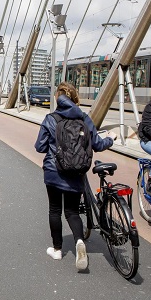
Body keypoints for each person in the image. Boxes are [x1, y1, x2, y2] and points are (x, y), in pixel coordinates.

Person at [34, 81, 117, 271]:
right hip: (76, 172)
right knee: (71, 211)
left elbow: (39, 147)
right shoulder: (84, 118)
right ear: (75, 98)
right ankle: (80, 241)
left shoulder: (50, 119)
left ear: (58, 98)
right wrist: (111, 138)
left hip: (54, 171)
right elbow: (97, 144)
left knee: (55, 210)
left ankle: (57, 250)